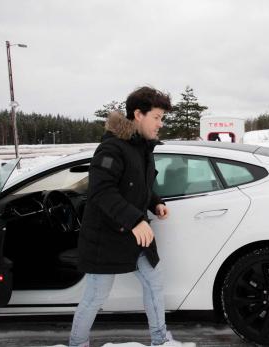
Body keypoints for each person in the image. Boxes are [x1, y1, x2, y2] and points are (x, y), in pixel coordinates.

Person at [69, 86, 176, 346]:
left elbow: (138, 185)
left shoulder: (143, 148)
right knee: (96, 295)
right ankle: (77, 343)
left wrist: (155, 203)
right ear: (138, 114)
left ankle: (160, 340)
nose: (160, 124)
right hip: (106, 238)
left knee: (154, 284)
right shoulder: (112, 149)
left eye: (162, 118)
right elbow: (101, 191)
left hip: (134, 234)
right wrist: (135, 220)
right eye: (157, 117)